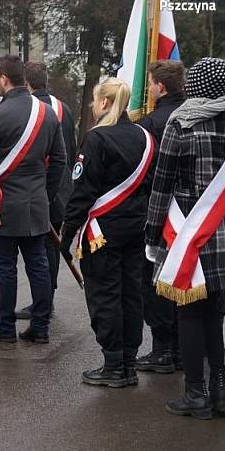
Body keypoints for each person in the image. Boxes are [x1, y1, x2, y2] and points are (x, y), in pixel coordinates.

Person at [145, 57, 225, 419]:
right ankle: (219, 391)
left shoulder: (178, 124)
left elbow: (161, 186)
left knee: (188, 311)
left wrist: (152, 235)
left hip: (186, 235)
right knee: (216, 311)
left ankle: (195, 392)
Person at [60, 78, 155, 388]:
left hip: (102, 231)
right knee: (131, 294)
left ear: (103, 102)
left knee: (105, 295)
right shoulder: (144, 135)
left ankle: (113, 364)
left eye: (95, 100)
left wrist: (67, 233)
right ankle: (128, 361)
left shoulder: (96, 139)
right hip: (135, 229)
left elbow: (82, 191)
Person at [0, 55, 66, 344]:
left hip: (3, 206)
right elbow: (60, 160)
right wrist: (45, 195)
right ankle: (40, 327)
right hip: (37, 204)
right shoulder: (48, 113)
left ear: (3, 79)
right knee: (38, 265)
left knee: (5, 267)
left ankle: (4, 326)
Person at [135, 59, 186, 373]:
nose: (149, 88)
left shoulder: (153, 123)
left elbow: (145, 172)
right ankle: (184, 347)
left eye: (151, 83)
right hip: (196, 212)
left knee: (154, 282)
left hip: (159, 210)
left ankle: (162, 349)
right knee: (186, 279)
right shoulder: (196, 116)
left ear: (160, 86)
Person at [16, 62, 76, 320]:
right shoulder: (65, 109)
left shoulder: (24, 110)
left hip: (33, 188)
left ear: (26, 83)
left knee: (37, 248)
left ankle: (42, 302)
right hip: (60, 188)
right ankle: (47, 298)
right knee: (51, 246)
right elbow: (70, 152)